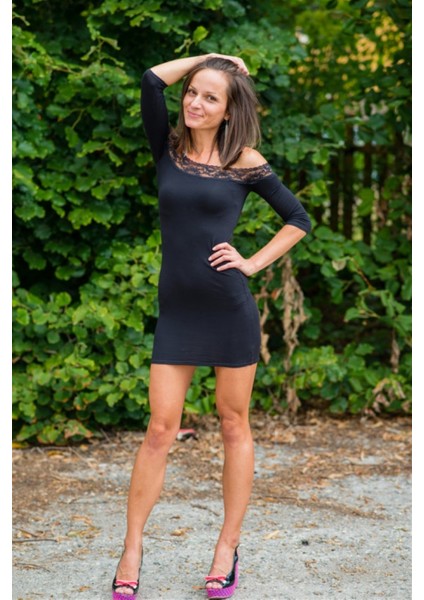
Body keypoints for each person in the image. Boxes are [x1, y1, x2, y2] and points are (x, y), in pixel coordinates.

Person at [112, 53, 311, 599]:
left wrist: (252, 262)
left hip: (228, 307)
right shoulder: (167, 148)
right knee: (160, 429)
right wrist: (211, 61)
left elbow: (298, 219)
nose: (195, 102)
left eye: (210, 96)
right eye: (193, 92)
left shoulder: (245, 161)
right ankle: (132, 548)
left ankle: (227, 547)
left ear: (228, 110)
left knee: (232, 424)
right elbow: (150, 79)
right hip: (177, 311)